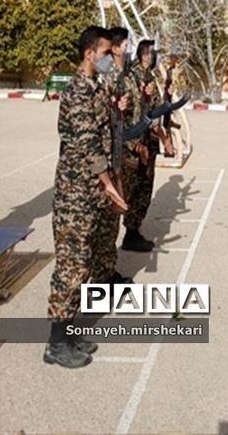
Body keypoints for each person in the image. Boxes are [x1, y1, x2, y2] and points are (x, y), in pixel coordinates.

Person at [45, 26, 128, 369]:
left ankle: (69, 332)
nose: (111, 58)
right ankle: (55, 344)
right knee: (71, 266)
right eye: (107, 52)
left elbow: (106, 132)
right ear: (89, 53)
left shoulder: (95, 87)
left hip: (90, 192)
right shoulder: (77, 91)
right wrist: (109, 184)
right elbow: (88, 144)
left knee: (84, 265)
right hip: (75, 195)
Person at [93, 26, 139, 284]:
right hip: (105, 157)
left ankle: (107, 273)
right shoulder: (106, 76)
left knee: (111, 222)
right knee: (105, 221)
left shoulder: (120, 74)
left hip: (116, 150)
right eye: (106, 51)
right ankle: (102, 277)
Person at [121, 40, 173, 251]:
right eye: (153, 54)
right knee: (129, 192)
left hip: (147, 144)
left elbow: (155, 110)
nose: (155, 58)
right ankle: (126, 234)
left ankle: (133, 232)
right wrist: (135, 144)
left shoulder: (149, 77)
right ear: (145, 55)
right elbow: (125, 116)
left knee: (143, 190)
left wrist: (167, 95)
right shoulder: (130, 78)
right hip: (134, 146)